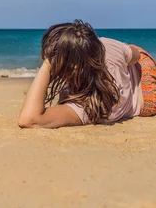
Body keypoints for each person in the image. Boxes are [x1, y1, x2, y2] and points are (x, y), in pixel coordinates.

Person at [18, 20, 156, 129]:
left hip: (147, 101)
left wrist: (48, 66)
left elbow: (29, 119)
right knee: (131, 50)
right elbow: (137, 56)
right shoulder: (106, 45)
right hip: (144, 68)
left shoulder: (88, 107)